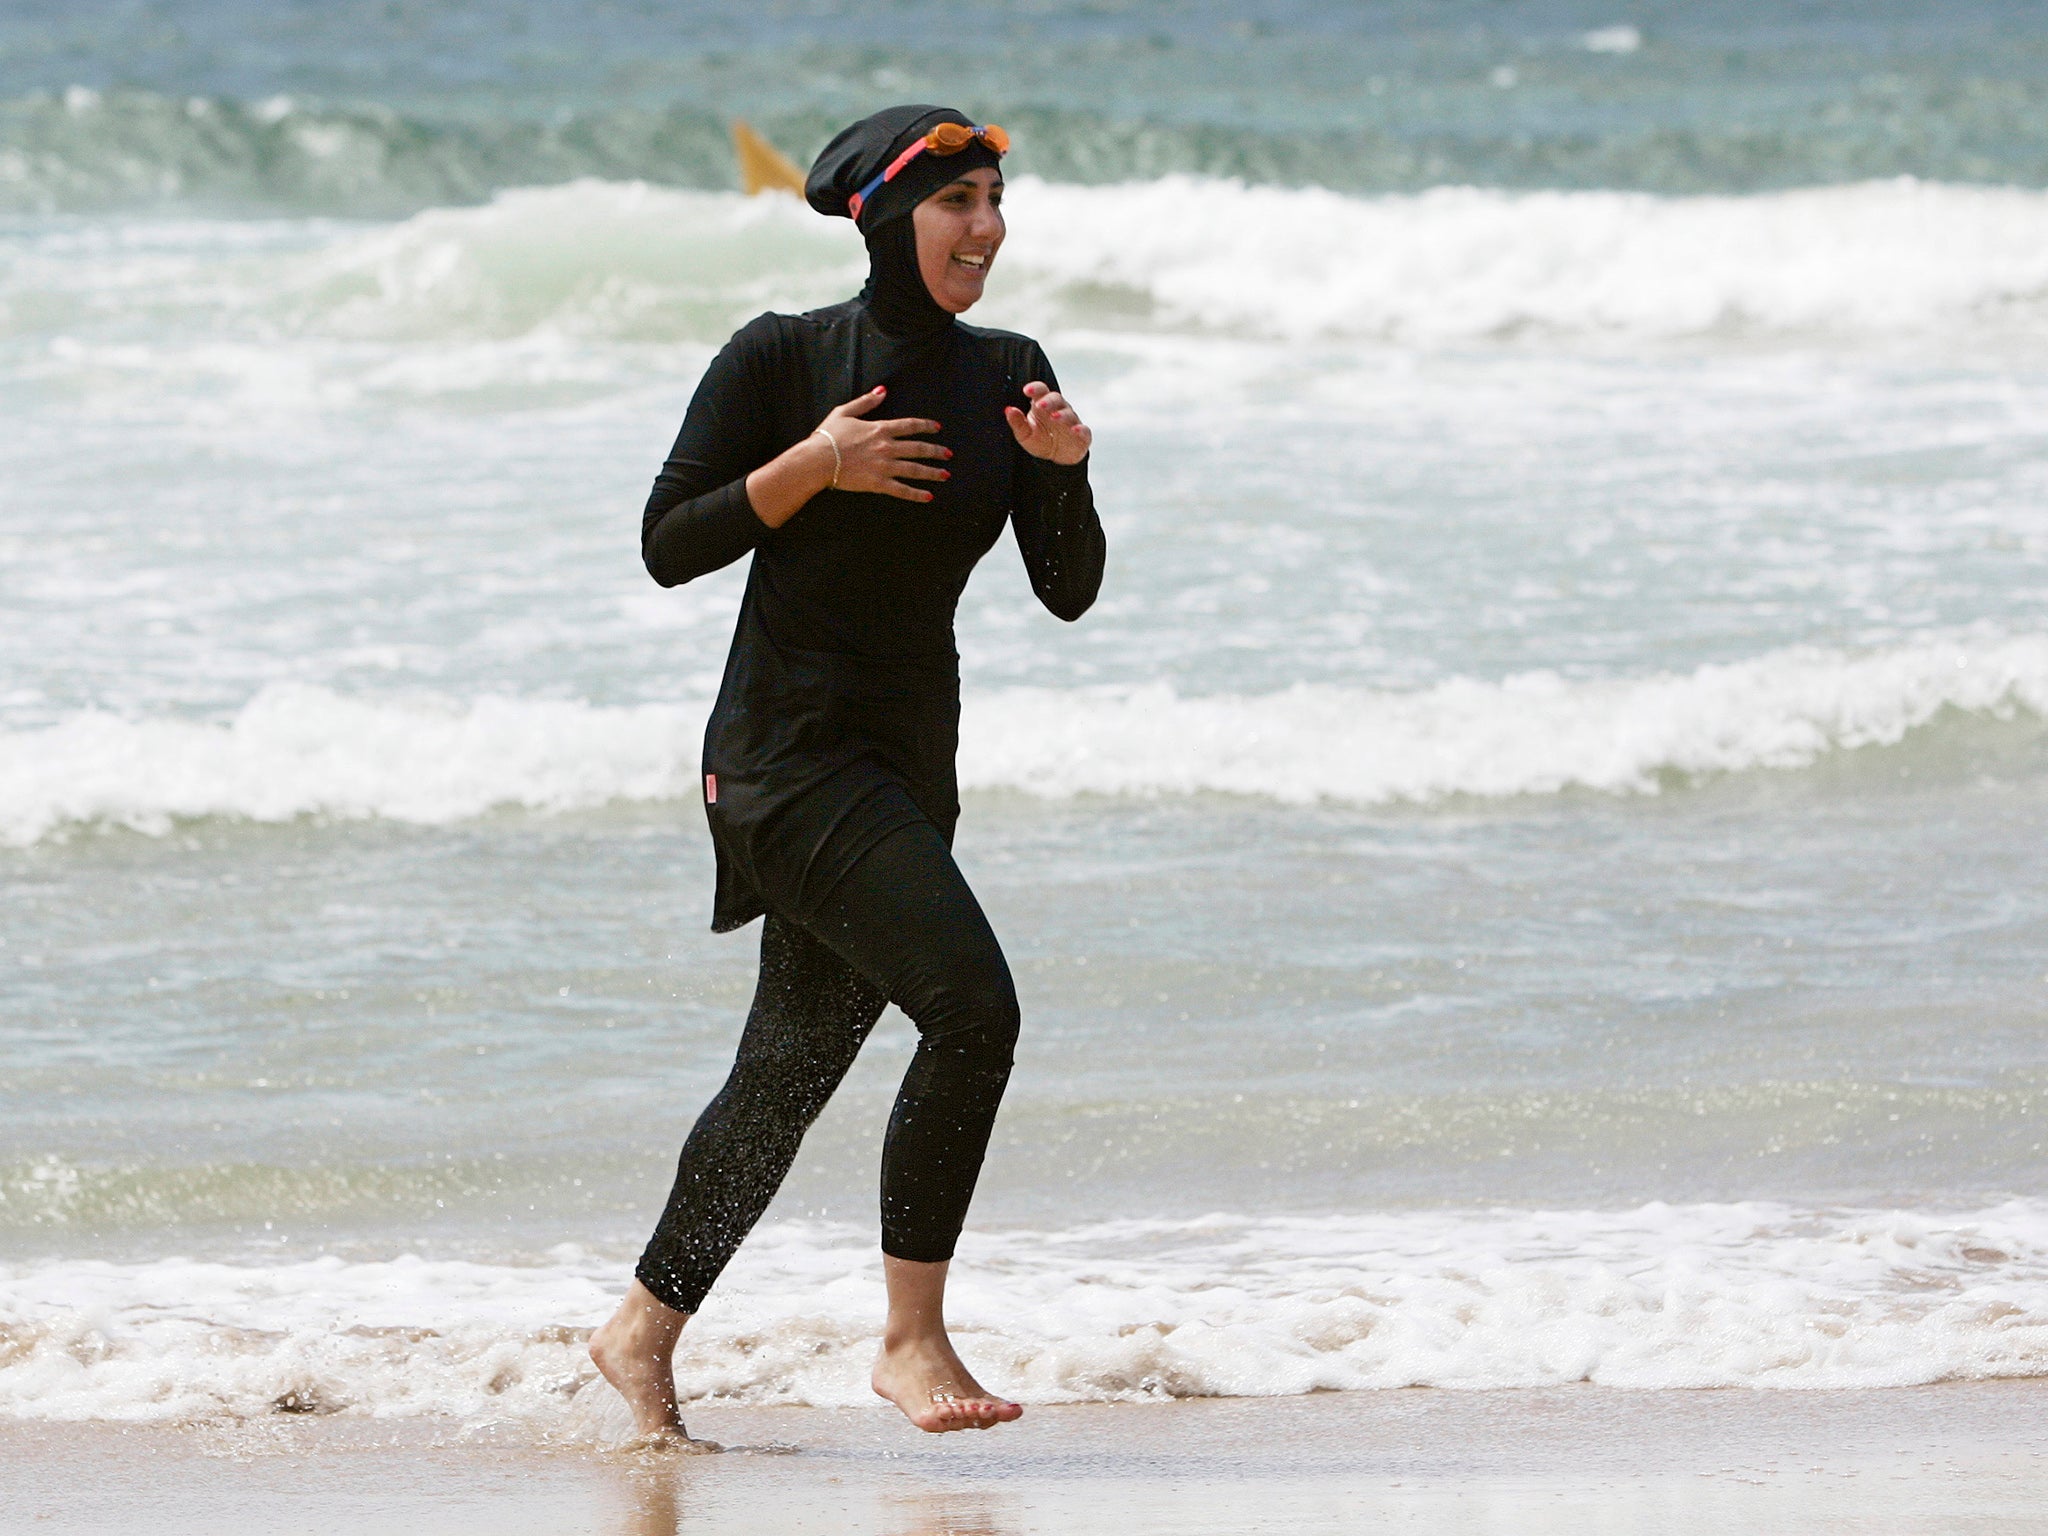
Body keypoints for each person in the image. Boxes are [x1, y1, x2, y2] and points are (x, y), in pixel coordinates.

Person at [588, 105, 1105, 1446]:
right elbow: (666, 542)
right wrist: (815, 463)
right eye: (958, 203)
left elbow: (1068, 590)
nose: (987, 228)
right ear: (885, 215)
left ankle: (640, 1334)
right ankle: (913, 1340)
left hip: (906, 765)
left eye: (997, 200)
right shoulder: (783, 356)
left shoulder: (1011, 370)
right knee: (974, 1009)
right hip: (782, 758)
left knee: (783, 1078)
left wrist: (1067, 473)